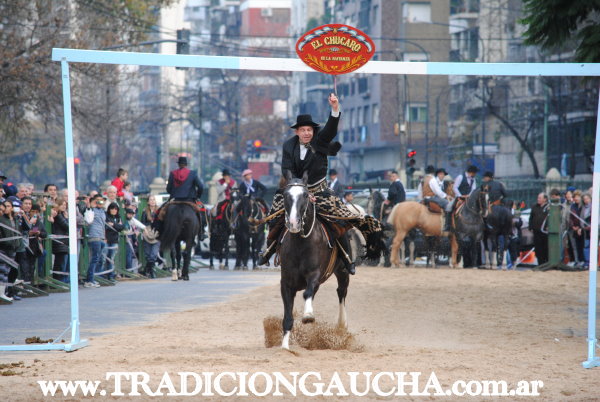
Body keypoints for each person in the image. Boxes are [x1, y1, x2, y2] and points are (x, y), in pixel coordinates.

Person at [257, 93, 385, 274]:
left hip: (320, 191)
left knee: (339, 221)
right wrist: (298, 189)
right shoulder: (288, 145)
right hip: (295, 189)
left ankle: (347, 258)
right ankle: (268, 250)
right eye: (303, 130)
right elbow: (286, 168)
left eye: (310, 129)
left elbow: (331, 130)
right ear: (297, 132)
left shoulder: (320, 140)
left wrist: (335, 108)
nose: (307, 133)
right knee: (275, 215)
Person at [83, 194, 106, 288]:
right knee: (94, 259)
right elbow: (88, 221)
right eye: (98, 200)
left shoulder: (102, 211)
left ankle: (93, 278)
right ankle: (89, 280)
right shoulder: (91, 210)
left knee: (98, 259)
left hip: (101, 237)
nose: (100, 202)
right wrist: (90, 206)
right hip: (94, 237)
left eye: (102, 201)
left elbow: (103, 224)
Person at [47, 198, 70, 283]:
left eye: (65, 205)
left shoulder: (60, 214)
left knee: (61, 263)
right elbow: (67, 226)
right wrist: (67, 218)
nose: (64, 206)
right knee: (60, 264)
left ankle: (60, 281)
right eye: (62, 205)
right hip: (59, 242)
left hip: (62, 241)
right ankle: (58, 281)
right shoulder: (58, 215)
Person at [141, 195, 160, 278]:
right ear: (148, 202)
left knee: (153, 254)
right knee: (148, 255)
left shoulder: (159, 211)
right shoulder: (145, 211)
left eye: (153, 200)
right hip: (147, 234)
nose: (152, 201)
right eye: (151, 200)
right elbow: (142, 223)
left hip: (157, 234)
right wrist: (144, 230)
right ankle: (149, 270)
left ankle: (149, 271)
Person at [104, 202, 124, 280]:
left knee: (111, 258)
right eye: (112, 208)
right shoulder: (106, 216)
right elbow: (107, 226)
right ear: (109, 209)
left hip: (114, 240)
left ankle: (111, 275)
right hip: (106, 239)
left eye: (116, 209)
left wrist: (113, 225)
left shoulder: (118, 217)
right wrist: (116, 225)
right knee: (104, 258)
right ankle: (104, 274)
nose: (114, 210)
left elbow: (121, 227)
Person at [530, 192, 549, 265]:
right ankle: (540, 262)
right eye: (538, 198)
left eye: (540, 198)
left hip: (545, 232)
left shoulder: (548, 207)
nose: (538, 199)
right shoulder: (535, 207)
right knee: (538, 248)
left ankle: (546, 262)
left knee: (545, 247)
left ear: (545, 199)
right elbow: (531, 218)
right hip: (536, 231)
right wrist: (531, 227)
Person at [569, 190, 584, 266]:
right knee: (575, 246)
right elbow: (571, 217)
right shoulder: (573, 206)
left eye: (578, 197)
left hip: (582, 228)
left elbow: (583, 217)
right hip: (574, 228)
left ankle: (583, 260)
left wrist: (580, 227)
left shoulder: (583, 206)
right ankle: (577, 260)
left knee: (582, 245)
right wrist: (572, 226)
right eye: (575, 197)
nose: (576, 198)